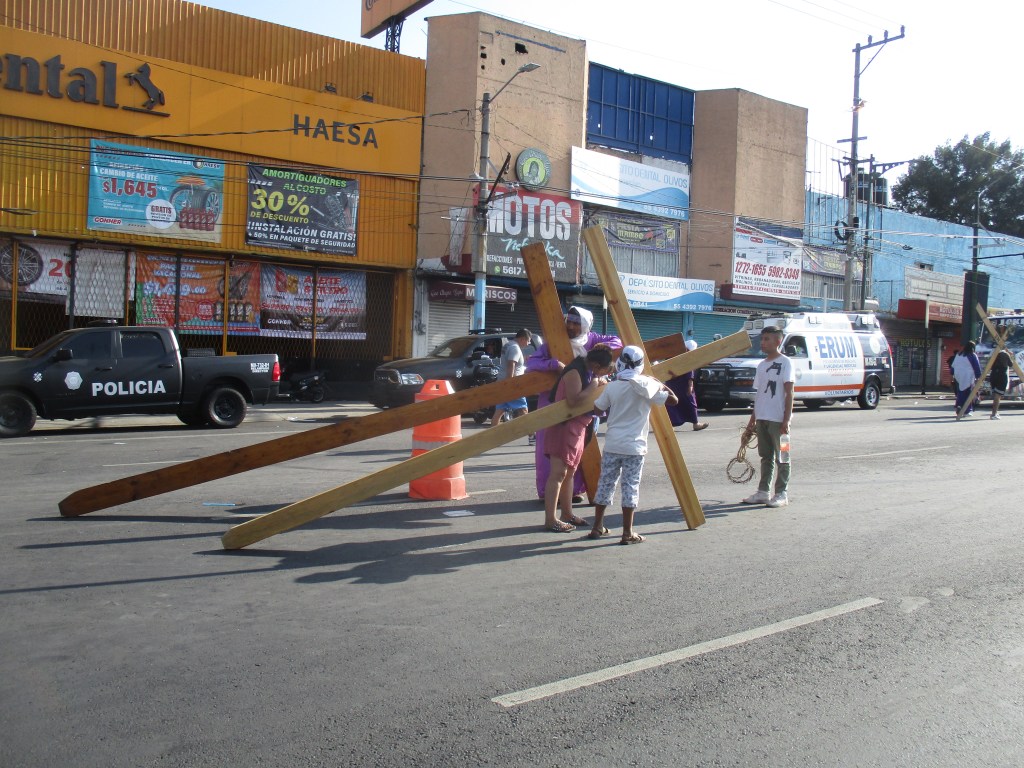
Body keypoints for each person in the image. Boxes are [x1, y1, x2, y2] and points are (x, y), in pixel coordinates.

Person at [526, 306, 621, 501]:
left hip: (583, 407)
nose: (570, 326)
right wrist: (552, 364)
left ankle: (573, 492)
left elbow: (617, 342)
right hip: (553, 403)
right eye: (568, 321)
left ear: (585, 325)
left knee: (578, 451)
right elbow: (532, 363)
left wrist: (595, 352)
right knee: (548, 451)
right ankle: (548, 494)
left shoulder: (593, 340)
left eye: (576, 323)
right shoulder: (554, 342)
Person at [589, 346, 677, 544]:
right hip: (635, 447)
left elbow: (598, 409)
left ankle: (597, 527)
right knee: (630, 487)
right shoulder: (647, 386)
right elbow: (674, 401)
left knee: (605, 485)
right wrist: (659, 384)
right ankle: (627, 532)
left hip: (613, 444)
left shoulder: (612, 386)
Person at [542, 345, 614, 532]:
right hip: (564, 427)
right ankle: (550, 519)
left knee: (569, 472)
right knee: (558, 473)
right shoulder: (575, 371)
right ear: (596, 366)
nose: (605, 374)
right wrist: (594, 384)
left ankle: (567, 513)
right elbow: (573, 400)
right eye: (605, 370)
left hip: (578, 427)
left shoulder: (588, 371)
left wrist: (597, 382)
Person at [741, 326, 795, 508]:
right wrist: (751, 423)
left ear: (778, 341)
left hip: (779, 420)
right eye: (762, 339)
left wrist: (787, 420)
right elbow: (760, 396)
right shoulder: (762, 365)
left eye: (767, 339)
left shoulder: (786, 363)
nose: (762, 343)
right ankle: (763, 492)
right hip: (762, 418)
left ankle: (781, 493)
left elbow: (790, 393)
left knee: (783, 456)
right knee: (766, 457)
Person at [665, 337, 708, 431]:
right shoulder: (679, 357)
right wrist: (690, 386)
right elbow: (689, 374)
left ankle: (695, 423)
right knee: (681, 404)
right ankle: (692, 424)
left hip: (676, 384)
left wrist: (690, 385)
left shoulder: (674, 356)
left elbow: (689, 373)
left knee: (683, 404)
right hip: (678, 384)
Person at [490, 328, 532, 427]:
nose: (528, 344)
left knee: (499, 410)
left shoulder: (508, 345)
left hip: (502, 384)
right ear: (522, 339)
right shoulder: (515, 348)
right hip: (513, 385)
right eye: (528, 341)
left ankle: (492, 433)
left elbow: (509, 361)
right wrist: (510, 384)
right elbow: (511, 364)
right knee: (523, 409)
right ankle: (531, 433)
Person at [951, 341, 982, 417]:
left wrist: (952, 374)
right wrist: (979, 376)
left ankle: (959, 405)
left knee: (960, 392)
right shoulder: (972, 355)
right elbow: (976, 367)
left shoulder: (959, 354)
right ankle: (967, 410)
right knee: (968, 393)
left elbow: (953, 366)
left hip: (958, 376)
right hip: (968, 376)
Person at [989, 346, 1012, 420]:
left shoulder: (993, 353)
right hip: (1002, 374)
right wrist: (1010, 355)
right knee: (997, 395)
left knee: (996, 394)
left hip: (993, 374)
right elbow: (1011, 364)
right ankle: (994, 414)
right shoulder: (1005, 354)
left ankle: (994, 412)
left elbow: (989, 365)